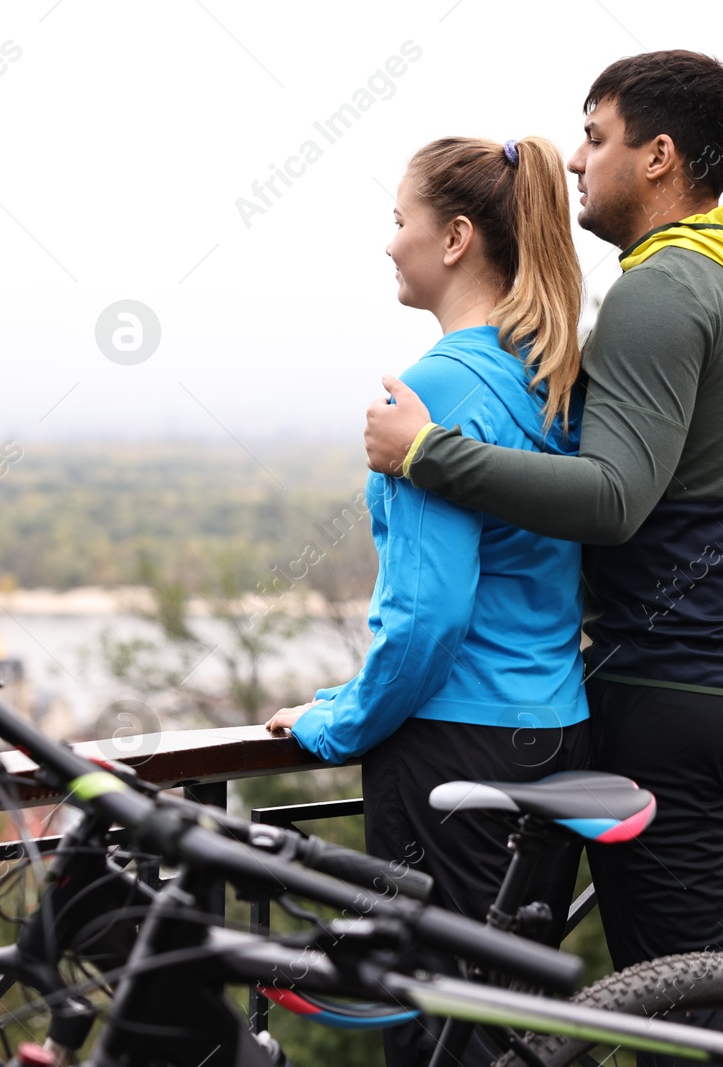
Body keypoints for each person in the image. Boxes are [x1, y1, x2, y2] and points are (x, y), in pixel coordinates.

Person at [362, 50, 723, 1058]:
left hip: (679, 695)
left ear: (657, 157)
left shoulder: (663, 290)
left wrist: (430, 452)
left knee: (690, 1019)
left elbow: (613, 499)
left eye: (596, 137)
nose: (575, 161)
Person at [265, 134, 590, 1067]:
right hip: (556, 733)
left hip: (457, 750)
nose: (386, 242)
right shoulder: (548, 372)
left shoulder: (437, 385)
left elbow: (430, 615)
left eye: (397, 220)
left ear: (454, 238)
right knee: (508, 1027)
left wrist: (341, 720)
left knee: (436, 1034)